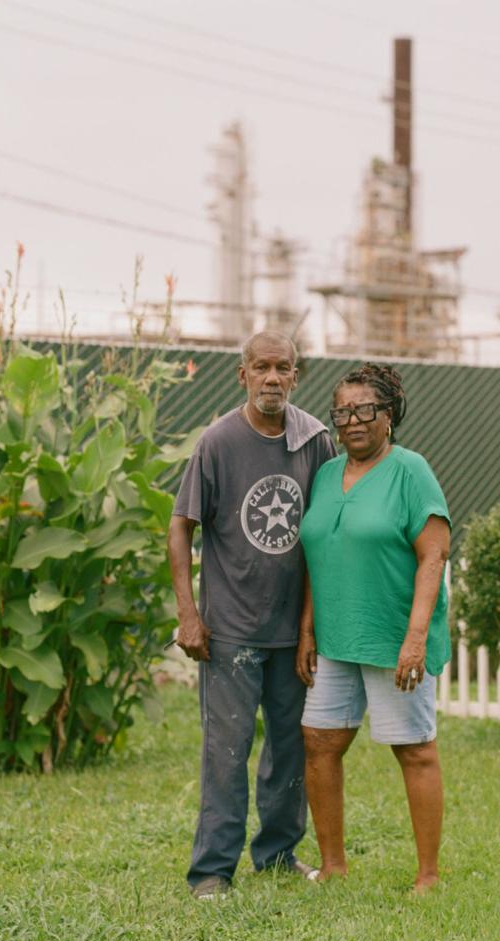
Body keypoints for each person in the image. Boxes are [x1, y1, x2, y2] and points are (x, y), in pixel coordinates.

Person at [168, 330, 337, 901]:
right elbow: (180, 526)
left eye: (282, 368)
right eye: (260, 367)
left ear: (296, 376)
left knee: (290, 747)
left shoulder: (315, 441)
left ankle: (278, 853)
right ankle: (212, 871)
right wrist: (188, 614)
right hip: (230, 633)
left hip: (291, 634)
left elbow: (323, 538)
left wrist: (311, 627)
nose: (272, 378)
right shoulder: (218, 442)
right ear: (241, 375)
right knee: (227, 750)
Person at [296, 363, 451, 894]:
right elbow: (319, 554)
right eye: (343, 411)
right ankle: (333, 864)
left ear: (389, 415)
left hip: (392, 638)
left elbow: (434, 556)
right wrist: (308, 630)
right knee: (319, 742)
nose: (353, 420)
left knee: (413, 748)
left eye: (366, 410)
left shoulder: (411, 470)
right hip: (335, 640)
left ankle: (428, 875)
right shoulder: (324, 474)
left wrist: (414, 639)